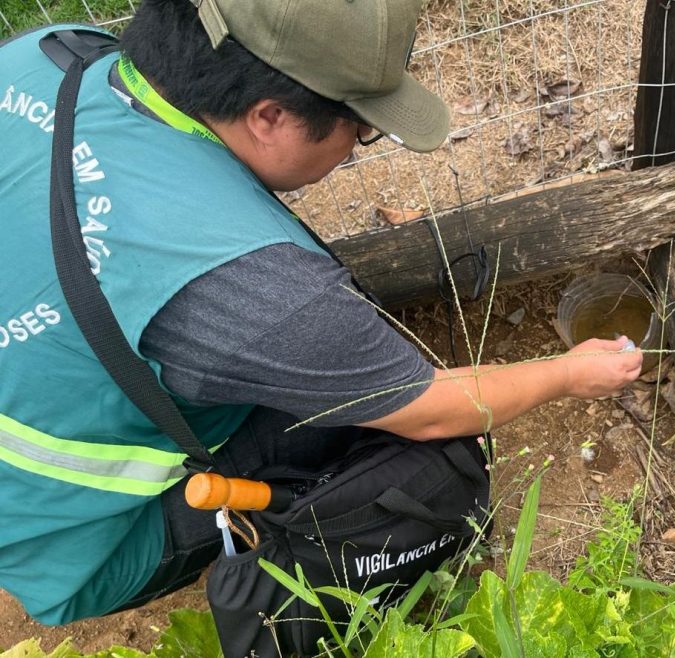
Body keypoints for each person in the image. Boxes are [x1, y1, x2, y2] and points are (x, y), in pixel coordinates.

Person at [0, 0, 642, 628]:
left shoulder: (51, 57)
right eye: (358, 129)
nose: (357, 151)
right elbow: (435, 407)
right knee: (437, 451)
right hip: (76, 542)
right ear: (269, 116)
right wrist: (567, 373)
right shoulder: (253, 288)